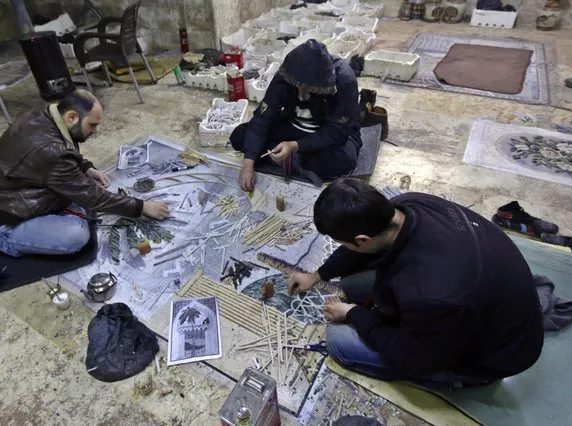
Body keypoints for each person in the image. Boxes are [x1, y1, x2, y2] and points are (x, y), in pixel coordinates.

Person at [288, 179, 544, 388]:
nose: (344, 246)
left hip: (495, 354)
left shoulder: (432, 294)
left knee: (339, 341)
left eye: (343, 241)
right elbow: (358, 247)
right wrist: (318, 275)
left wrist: (355, 314)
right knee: (352, 284)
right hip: (475, 292)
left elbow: (411, 355)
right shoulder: (409, 204)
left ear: (362, 238)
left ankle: (466, 380)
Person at [0, 90, 169, 258]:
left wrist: (85, 167)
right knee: (77, 235)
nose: (95, 131)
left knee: (82, 195)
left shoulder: (47, 114)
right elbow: (93, 198)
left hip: (5, 190)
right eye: (92, 125)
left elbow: (63, 149)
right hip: (5, 211)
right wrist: (141, 207)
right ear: (72, 117)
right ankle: (6, 237)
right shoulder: (51, 151)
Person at [230, 39, 362, 191]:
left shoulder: (344, 79)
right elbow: (263, 117)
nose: (301, 91)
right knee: (240, 136)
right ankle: (291, 158)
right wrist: (248, 164)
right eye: (297, 86)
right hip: (293, 126)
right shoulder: (287, 73)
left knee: (343, 162)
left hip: (327, 134)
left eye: (308, 88)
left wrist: (295, 146)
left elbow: (337, 131)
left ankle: (289, 157)